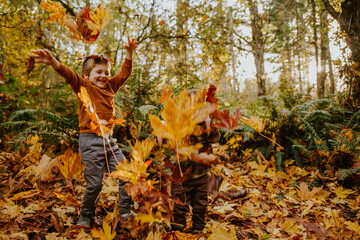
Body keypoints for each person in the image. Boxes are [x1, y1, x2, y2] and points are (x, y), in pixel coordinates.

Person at [30, 37, 138, 227]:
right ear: (87, 75)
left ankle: (125, 211)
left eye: (106, 72)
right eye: (99, 72)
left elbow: (124, 73)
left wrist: (129, 53)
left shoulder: (111, 87)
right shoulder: (84, 86)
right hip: (89, 142)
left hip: (109, 142)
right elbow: (69, 74)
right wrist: (54, 62)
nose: (104, 76)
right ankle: (86, 215)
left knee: (126, 174)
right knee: (95, 184)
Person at [170, 89, 220, 234]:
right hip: (180, 175)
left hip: (201, 174)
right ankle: (177, 230)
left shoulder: (207, 123)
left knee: (201, 205)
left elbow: (215, 139)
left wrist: (209, 125)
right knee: (179, 205)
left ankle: (198, 229)